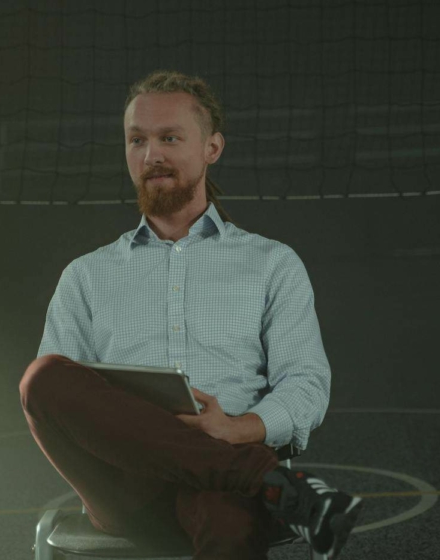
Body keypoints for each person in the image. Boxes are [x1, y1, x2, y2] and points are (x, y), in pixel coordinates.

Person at [19, 70, 362, 560]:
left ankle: (250, 478)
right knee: (44, 378)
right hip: (126, 489)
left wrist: (237, 430)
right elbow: (61, 408)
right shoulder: (86, 275)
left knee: (228, 523)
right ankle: (279, 487)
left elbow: (307, 383)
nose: (151, 154)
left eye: (170, 138)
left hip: (221, 493)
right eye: (137, 139)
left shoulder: (272, 264)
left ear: (212, 148)